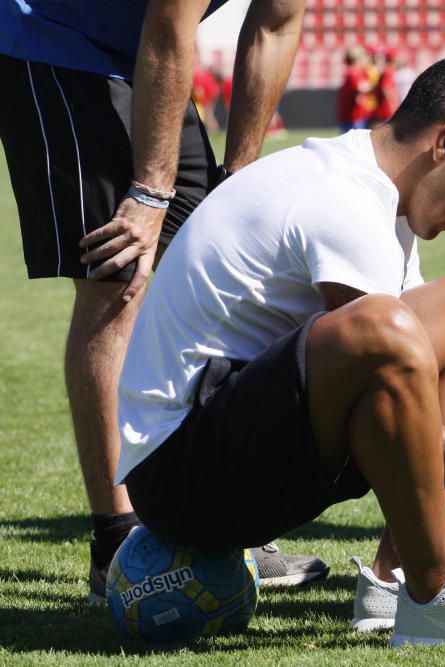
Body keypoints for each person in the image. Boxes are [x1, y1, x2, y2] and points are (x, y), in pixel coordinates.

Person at [115, 46, 445, 648]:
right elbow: (392, 378)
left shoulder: (374, 191)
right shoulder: (341, 197)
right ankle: (438, 589)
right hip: (182, 481)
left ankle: (397, 581)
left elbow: (417, 373)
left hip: (237, 450)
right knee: (386, 326)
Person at [0, 0, 327, 602]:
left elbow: (277, 21)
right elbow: (168, 23)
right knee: (119, 280)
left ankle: (219, 525)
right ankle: (118, 545)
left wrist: (238, 175)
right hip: (61, 42)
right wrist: (149, 192)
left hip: (144, 55)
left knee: (203, 269)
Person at [337, 46, 374, 133]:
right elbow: (362, 88)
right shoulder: (353, 72)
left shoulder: (361, 72)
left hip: (358, 115)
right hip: (351, 117)